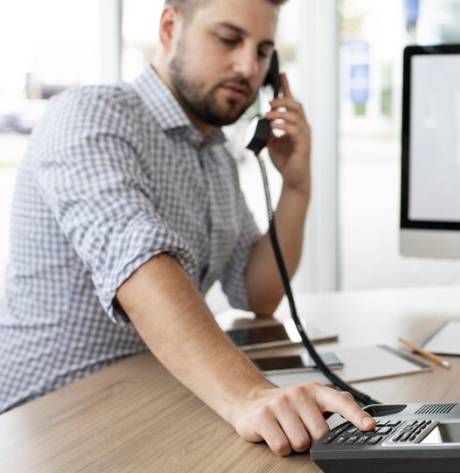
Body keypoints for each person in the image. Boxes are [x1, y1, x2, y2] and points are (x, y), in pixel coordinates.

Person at [0, 0, 375, 456]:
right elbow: (137, 262)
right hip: (52, 418)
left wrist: (296, 185)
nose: (247, 68)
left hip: (155, 398)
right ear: (169, 26)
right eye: (228, 39)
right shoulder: (89, 115)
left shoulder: (215, 154)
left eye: (262, 52)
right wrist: (250, 394)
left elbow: (256, 293)